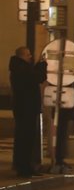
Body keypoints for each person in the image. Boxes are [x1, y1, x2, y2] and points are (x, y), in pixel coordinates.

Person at [9, 47, 44, 178]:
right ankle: (24, 168)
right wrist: (42, 65)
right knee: (26, 138)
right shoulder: (21, 69)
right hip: (26, 108)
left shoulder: (18, 68)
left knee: (24, 138)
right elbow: (37, 77)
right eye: (28, 55)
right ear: (23, 56)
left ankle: (23, 166)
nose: (30, 57)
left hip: (23, 108)